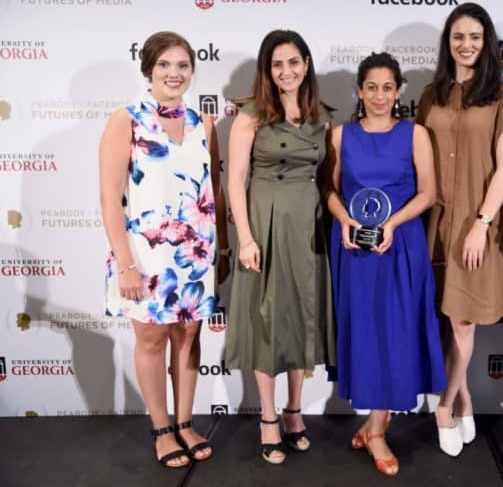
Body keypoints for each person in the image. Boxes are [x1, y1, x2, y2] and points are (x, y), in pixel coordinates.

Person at [99, 31, 229, 468]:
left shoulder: (203, 123)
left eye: (182, 65)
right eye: (165, 65)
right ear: (149, 70)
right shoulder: (126, 120)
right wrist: (126, 264)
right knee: (152, 338)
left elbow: (213, 191)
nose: (174, 74)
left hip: (196, 251)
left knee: (189, 336)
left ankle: (185, 423)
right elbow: (110, 199)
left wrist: (221, 251)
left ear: (192, 70)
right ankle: (161, 429)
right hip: (146, 254)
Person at [326, 52, 447, 477]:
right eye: (372, 87)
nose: (380, 95)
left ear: (399, 92)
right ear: (359, 91)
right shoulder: (340, 135)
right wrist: (344, 220)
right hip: (355, 250)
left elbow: (428, 193)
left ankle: (376, 428)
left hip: (400, 246)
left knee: (394, 333)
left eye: (388, 88)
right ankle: (374, 423)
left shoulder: (416, 134)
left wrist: (392, 224)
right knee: (366, 334)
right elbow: (330, 191)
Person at [415, 2, 503, 457]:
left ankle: (443, 407)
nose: (466, 45)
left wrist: (482, 223)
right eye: (458, 36)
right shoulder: (431, 95)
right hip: (433, 221)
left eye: (475, 37)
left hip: (477, 224)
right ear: (448, 42)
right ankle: (465, 401)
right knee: (444, 316)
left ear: (487, 42)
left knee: (462, 319)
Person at [224, 30, 335, 465]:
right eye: (277, 64)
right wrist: (246, 238)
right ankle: (268, 418)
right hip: (265, 226)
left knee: (300, 317)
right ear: (267, 71)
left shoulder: (322, 117)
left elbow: (326, 179)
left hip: (308, 227)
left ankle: (294, 410)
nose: (286, 71)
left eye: (293, 62)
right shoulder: (250, 115)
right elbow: (236, 180)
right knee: (267, 321)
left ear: (306, 65)